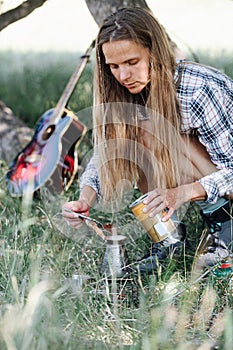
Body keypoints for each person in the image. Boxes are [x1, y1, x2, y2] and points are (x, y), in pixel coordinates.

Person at [62, 7, 233, 274]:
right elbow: (109, 151)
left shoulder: (198, 89)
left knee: (155, 127)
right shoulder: (124, 89)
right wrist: (86, 198)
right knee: (135, 132)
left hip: (226, 181)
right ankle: (167, 235)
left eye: (132, 63)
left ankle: (224, 225)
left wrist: (180, 194)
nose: (123, 76)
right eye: (114, 66)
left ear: (155, 52)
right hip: (205, 180)